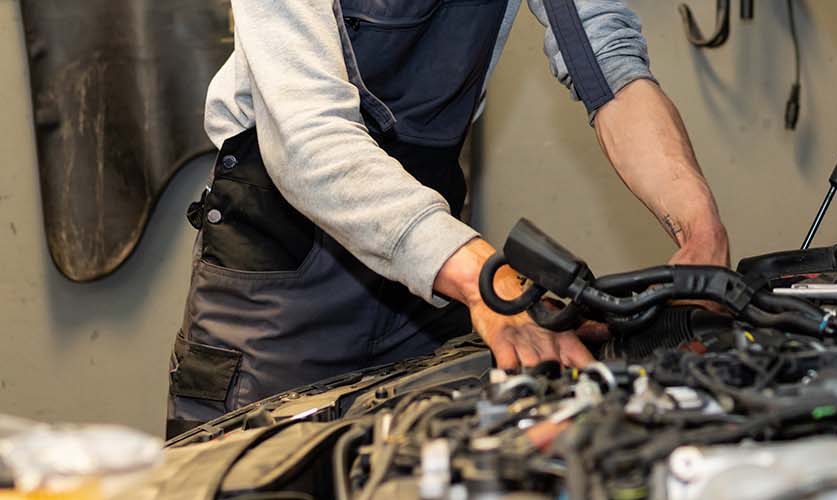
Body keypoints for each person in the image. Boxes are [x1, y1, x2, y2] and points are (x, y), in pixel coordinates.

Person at [166, 0, 728, 436]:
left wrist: (697, 223)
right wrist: (490, 282)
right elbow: (308, 139)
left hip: (432, 275)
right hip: (285, 275)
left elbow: (607, 64)